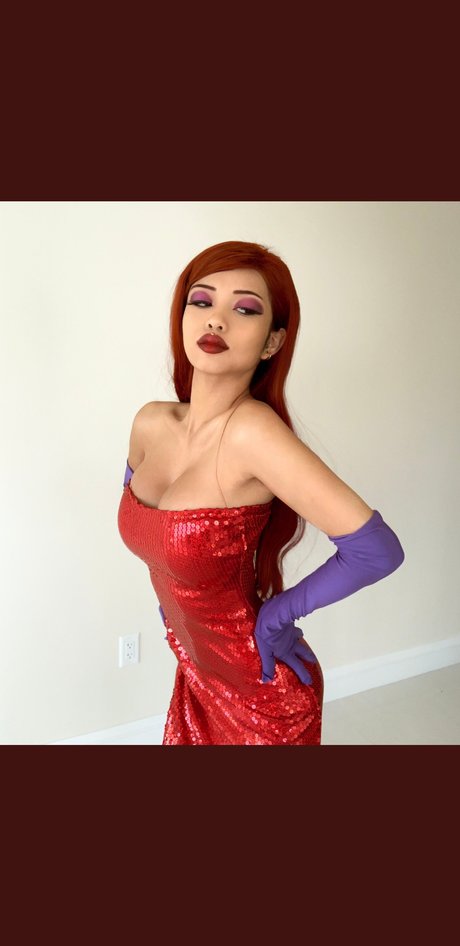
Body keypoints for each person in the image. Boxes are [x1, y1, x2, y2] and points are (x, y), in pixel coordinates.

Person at [117, 240, 405, 745]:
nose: (216, 319)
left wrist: (277, 615)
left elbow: (376, 550)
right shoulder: (149, 423)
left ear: (272, 342)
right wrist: (175, 616)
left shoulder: (254, 434)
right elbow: (156, 539)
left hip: (258, 690)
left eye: (245, 309)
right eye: (201, 301)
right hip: (195, 669)